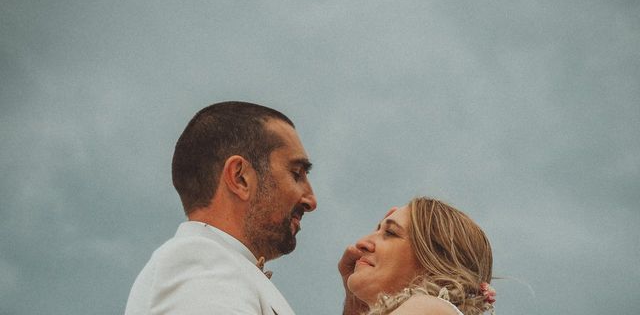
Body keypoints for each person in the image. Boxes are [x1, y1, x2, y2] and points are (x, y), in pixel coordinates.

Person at [124, 101, 317, 315]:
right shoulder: (202, 263)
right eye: (296, 174)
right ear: (240, 178)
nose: (311, 201)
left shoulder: (222, 268)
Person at [339, 198, 495, 315]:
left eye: (391, 232)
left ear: (436, 261)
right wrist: (357, 304)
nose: (361, 243)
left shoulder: (430, 307)